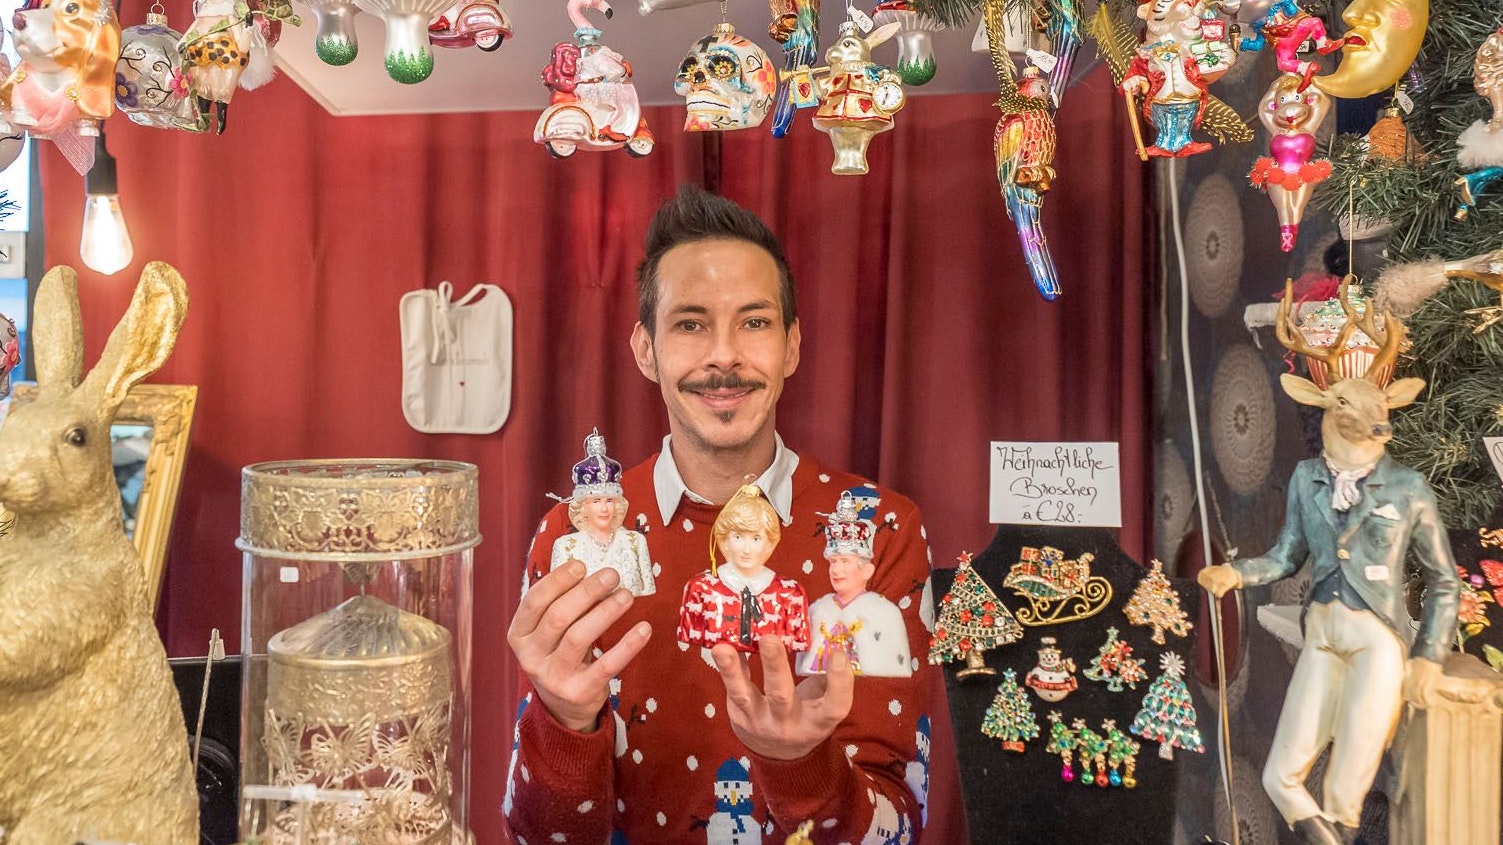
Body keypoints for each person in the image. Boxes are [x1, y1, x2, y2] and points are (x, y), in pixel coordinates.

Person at [505, 185, 935, 844]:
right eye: (690, 322)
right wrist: (563, 721)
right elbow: (541, 836)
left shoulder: (880, 529)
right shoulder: (572, 537)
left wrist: (798, 765)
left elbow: (897, 827)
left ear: (791, 346)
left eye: (754, 321)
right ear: (645, 350)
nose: (724, 355)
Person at [678, 483, 810, 652]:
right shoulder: (701, 589)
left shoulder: (789, 594)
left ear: (770, 543)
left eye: (756, 538)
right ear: (724, 540)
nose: (746, 549)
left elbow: (799, 642)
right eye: (738, 537)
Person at [796, 490, 911, 677]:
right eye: (833, 562)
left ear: (867, 570)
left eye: (845, 562)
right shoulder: (818, 610)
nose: (836, 570)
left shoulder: (884, 612)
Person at [550, 428, 656, 597]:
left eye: (609, 501)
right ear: (583, 506)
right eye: (596, 501)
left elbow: (649, 594)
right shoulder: (566, 547)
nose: (604, 508)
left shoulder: (635, 542)